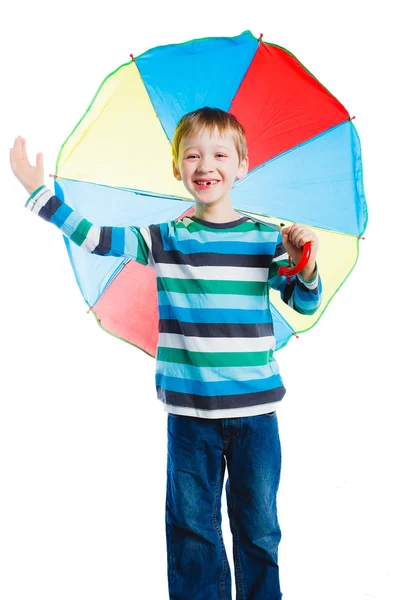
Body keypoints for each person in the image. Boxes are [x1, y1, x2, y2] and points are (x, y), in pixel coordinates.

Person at [10, 107, 322, 599]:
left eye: (220, 154)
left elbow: (304, 302)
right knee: (192, 535)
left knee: (260, 532)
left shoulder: (267, 239)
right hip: (190, 416)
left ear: (242, 165)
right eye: (192, 155)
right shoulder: (166, 239)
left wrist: (306, 263)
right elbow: (96, 240)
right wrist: (39, 196)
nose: (206, 165)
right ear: (177, 168)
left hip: (256, 416)